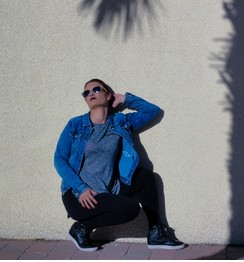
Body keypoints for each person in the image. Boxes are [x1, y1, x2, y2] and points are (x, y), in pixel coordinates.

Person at [54, 78, 184, 251]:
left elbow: (152, 111)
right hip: (80, 195)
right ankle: (81, 228)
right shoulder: (75, 125)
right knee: (130, 209)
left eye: (96, 89)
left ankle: (156, 233)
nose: (91, 93)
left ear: (108, 95)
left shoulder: (120, 122)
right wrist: (81, 188)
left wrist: (125, 99)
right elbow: (59, 159)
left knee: (146, 176)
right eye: (86, 92)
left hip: (109, 189)